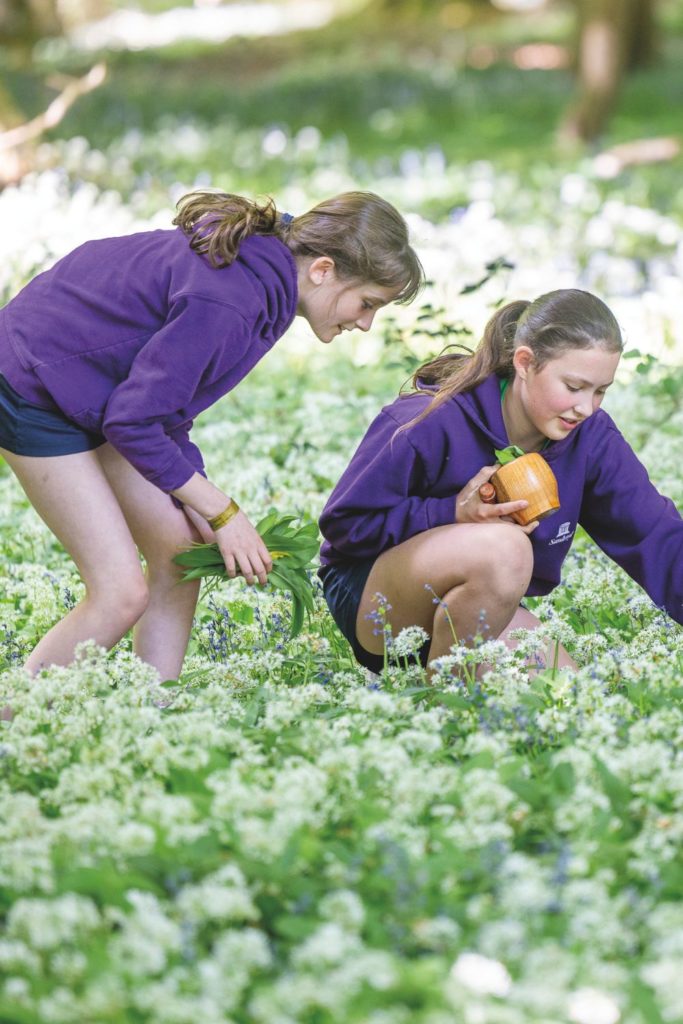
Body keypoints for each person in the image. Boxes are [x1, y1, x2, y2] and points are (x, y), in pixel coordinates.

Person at [0, 189, 423, 678]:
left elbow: (163, 406)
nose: (366, 324)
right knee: (119, 594)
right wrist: (222, 512)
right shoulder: (234, 300)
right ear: (323, 269)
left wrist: (195, 497)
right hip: (31, 383)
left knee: (180, 556)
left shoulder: (267, 285)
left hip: (92, 387)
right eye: (367, 303)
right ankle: (16, 724)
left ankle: (154, 710)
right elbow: (133, 422)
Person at [319, 288, 683, 674]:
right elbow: (345, 524)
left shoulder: (590, 437)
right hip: (373, 601)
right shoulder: (429, 419)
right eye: (574, 387)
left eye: (600, 391)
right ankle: (452, 710)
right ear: (525, 363)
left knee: (567, 700)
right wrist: (452, 512)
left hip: (480, 609)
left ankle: (444, 705)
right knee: (505, 549)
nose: (586, 407)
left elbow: (655, 535)